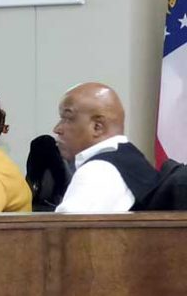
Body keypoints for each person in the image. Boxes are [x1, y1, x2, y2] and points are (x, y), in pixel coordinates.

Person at [53, 82, 159, 213]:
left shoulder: (99, 172)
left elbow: (64, 231)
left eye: (68, 118)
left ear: (97, 127)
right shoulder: (128, 159)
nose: (57, 129)